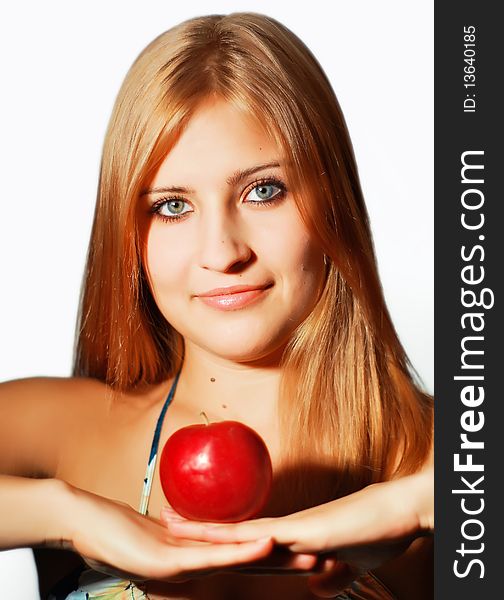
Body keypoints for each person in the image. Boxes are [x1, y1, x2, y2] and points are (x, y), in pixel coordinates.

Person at [0, 11, 433, 600]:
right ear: (129, 233)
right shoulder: (61, 432)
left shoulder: (434, 447)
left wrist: (411, 506)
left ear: (333, 202)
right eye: (172, 206)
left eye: (263, 191)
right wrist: (64, 514)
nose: (222, 252)